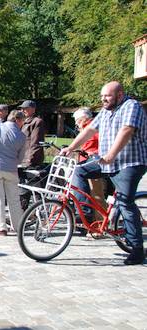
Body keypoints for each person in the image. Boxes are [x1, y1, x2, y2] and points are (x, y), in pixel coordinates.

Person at [61, 81, 146, 265]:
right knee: (79, 171)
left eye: (107, 96)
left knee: (125, 202)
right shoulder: (106, 112)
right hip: (107, 162)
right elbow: (90, 130)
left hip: (129, 163)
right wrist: (71, 148)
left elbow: (127, 130)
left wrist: (111, 155)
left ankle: (137, 249)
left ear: (120, 94)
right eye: (102, 96)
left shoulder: (132, 106)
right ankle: (85, 214)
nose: (103, 99)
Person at [19, 100, 45, 167]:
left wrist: (30, 160)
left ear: (33, 110)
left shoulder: (37, 122)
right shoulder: (21, 122)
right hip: (21, 159)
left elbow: (36, 143)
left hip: (30, 161)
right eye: (22, 108)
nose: (23, 110)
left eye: (26, 108)